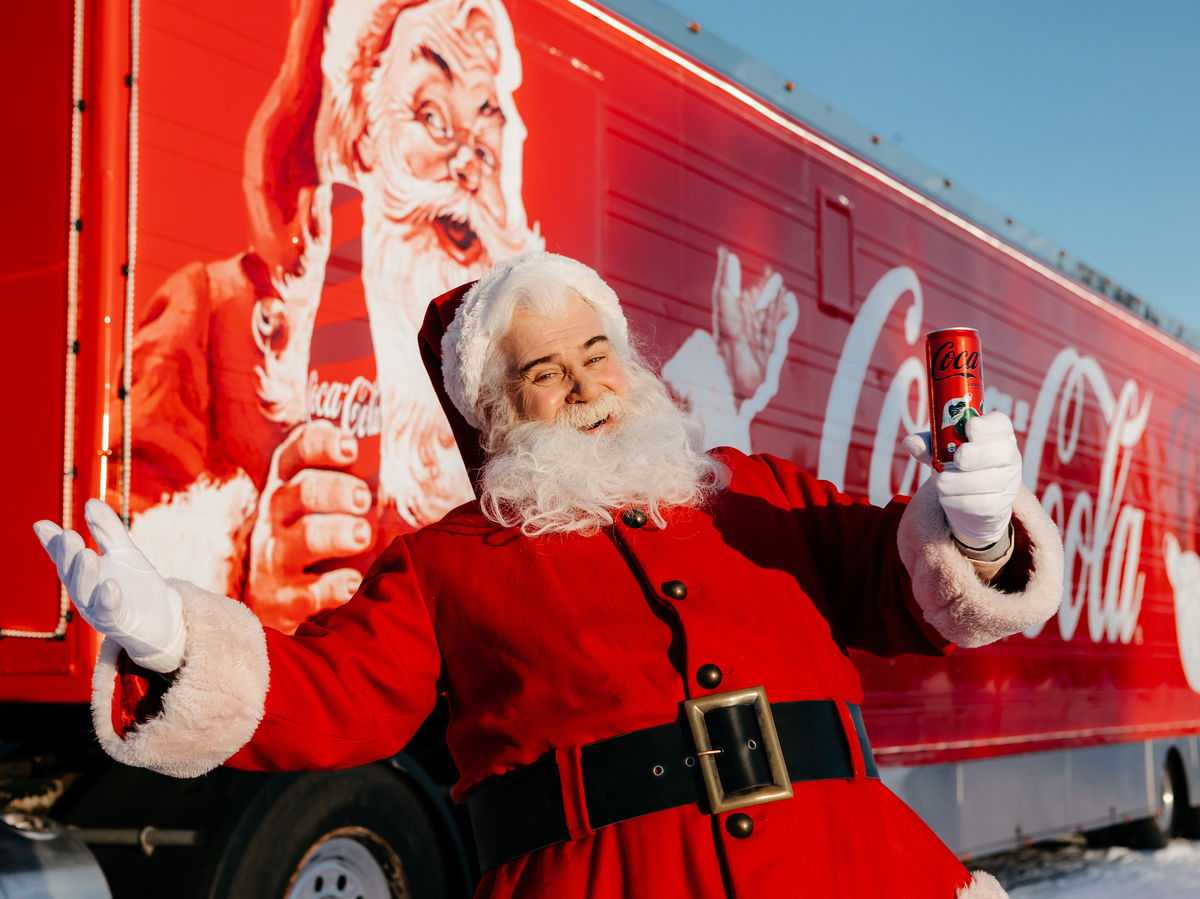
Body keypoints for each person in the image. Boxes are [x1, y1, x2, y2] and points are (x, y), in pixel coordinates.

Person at [38, 251, 1064, 898]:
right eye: (544, 371)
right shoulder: (449, 562)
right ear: (494, 410)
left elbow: (902, 587)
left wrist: (972, 530)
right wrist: (173, 639)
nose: (585, 385)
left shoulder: (749, 492)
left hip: (852, 870)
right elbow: (332, 697)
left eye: (596, 351)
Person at [118, 0, 542, 629]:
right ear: (362, 134)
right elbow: (127, 577)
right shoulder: (213, 313)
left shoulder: (523, 373)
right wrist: (247, 597)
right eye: (431, 116)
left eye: (485, 132)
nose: (465, 163)